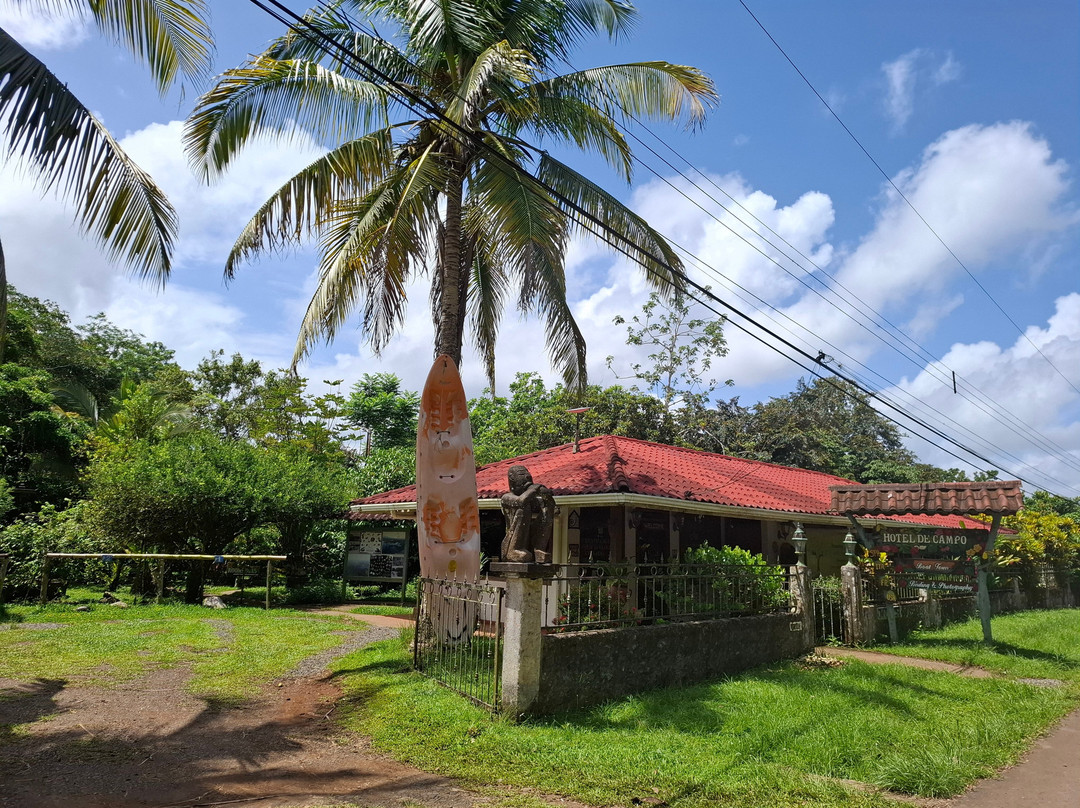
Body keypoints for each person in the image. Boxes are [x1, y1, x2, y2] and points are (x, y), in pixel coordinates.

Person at [500, 465, 556, 563]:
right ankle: (514, 550)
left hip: (529, 540)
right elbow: (521, 501)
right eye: (522, 474)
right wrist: (534, 489)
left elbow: (547, 506)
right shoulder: (507, 497)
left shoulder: (530, 497)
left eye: (527, 473)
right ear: (512, 478)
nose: (527, 476)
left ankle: (538, 548)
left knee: (546, 508)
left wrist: (547, 498)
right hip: (511, 543)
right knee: (523, 508)